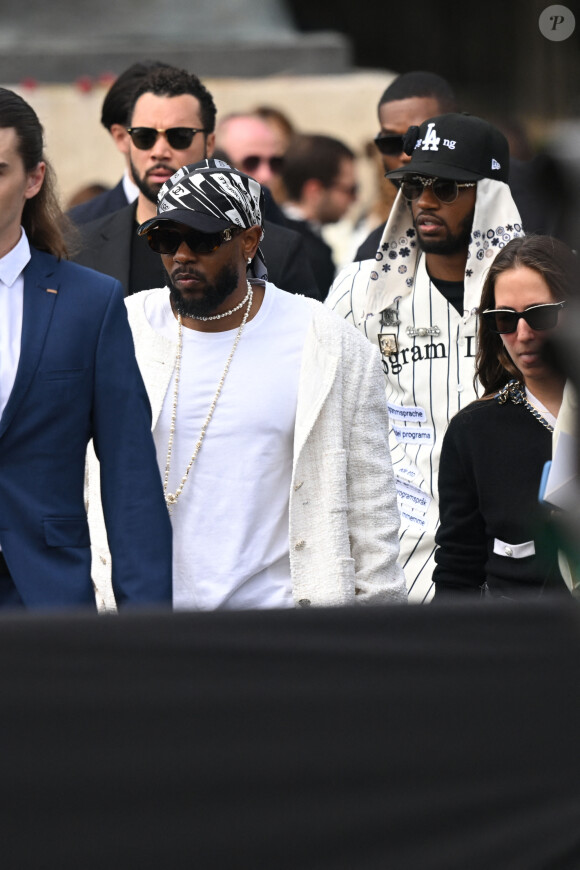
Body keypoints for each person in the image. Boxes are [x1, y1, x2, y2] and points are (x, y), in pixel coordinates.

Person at [88, 158, 407, 611]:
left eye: (201, 239)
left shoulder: (326, 341)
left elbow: (372, 509)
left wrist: (379, 632)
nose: (181, 255)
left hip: (281, 631)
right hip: (149, 627)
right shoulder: (124, 329)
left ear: (250, 239)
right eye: (165, 238)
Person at [326, 112, 523, 601]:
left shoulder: (538, 295)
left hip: (515, 558)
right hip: (396, 562)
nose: (425, 201)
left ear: (490, 196)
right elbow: (329, 428)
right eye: (413, 186)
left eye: (447, 188)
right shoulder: (359, 291)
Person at [0, 87, 172, 609]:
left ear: (33, 179)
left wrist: (147, 628)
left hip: (44, 596)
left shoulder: (89, 303)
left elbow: (130, 474)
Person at [72, 67, 319, 298]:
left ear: (209, 144)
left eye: (179, 137)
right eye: (144, 137)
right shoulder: (79, 246)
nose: (159, 151)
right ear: (126, 141)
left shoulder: (279, 250)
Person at [433, 235, 577, 599]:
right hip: (520, 647)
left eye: (540, 315)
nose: (523, 334)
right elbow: (458, 571)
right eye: (505, 319)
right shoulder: (474, 431)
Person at [355, 71, 458, 262]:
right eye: (392, 143)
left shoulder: (512, 226)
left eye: (422, 139)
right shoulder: (373, 254)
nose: (405, 155)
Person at [68, 59, 170, 225]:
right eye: (146, 135)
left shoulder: (223, 219)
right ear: (121, 137)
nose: (162, 150)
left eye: (181, 134)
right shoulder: (75, 228)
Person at [280, 133, 358, 297]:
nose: (355, 199)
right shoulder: (309, 254)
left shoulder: (269, 231)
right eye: (350, 190)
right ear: (314, 191)